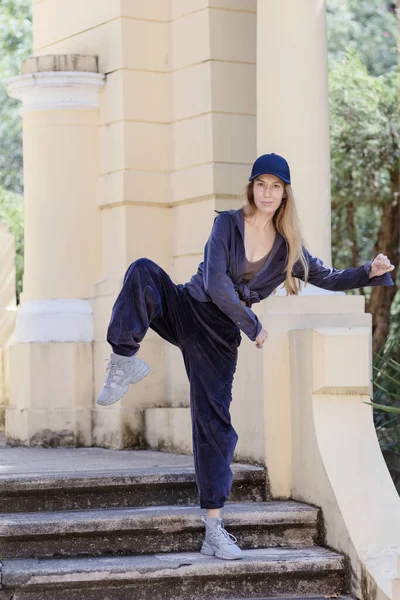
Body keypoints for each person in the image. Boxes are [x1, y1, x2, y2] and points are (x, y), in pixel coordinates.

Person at [96, 153, 395, 561]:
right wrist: (253, 324)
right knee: (143, 270)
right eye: (261, 184)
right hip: (189, 306)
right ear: (251, 187)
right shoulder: (227, 224)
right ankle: (123, 358)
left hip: (218, 338)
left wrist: (371, 271)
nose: (267, 192)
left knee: (214, 423)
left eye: (276, 186)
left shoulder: (288, 248)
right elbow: (218, 285)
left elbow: (327, 276)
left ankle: (214, 529)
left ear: (284, 193)